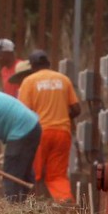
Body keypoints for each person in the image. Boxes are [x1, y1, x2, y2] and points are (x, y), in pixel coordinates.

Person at [15, 50, 80, 203]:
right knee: (57, 176)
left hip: (40, 133)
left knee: (35, 175)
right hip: (62, 133)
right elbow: (77, 109)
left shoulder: (29, 81)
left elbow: (23, 112)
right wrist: (62, 115)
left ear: (32, 66)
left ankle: (36, 210)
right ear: (49, 64)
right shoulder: (64, 80)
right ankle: (66, 205)